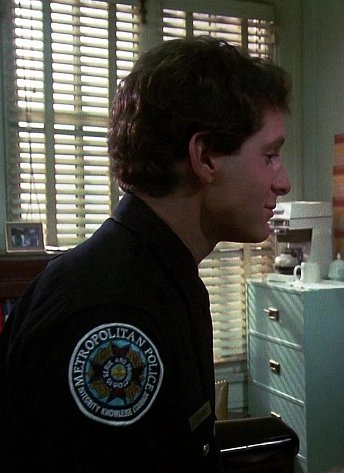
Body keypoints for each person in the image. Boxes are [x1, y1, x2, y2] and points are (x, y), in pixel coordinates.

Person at [0, 36, 292, 472]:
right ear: (205, 157)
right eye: (270, 156)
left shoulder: (161, 278)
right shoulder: (115, 312)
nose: (283, 182)